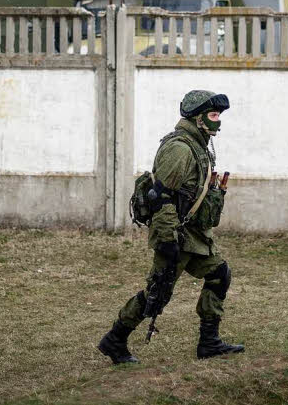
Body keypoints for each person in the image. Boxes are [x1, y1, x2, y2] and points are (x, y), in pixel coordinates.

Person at [98, 89, 245, 365]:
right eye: (213, 115)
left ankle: (209, 342)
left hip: (193, 235)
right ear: (198, 118)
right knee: (157, 294)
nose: (218, 122)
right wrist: (167, 239)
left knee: (219, 274)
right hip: (175, 234)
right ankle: (115, 339)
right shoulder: (180, 149)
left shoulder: (199, 144)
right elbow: (160, 196)